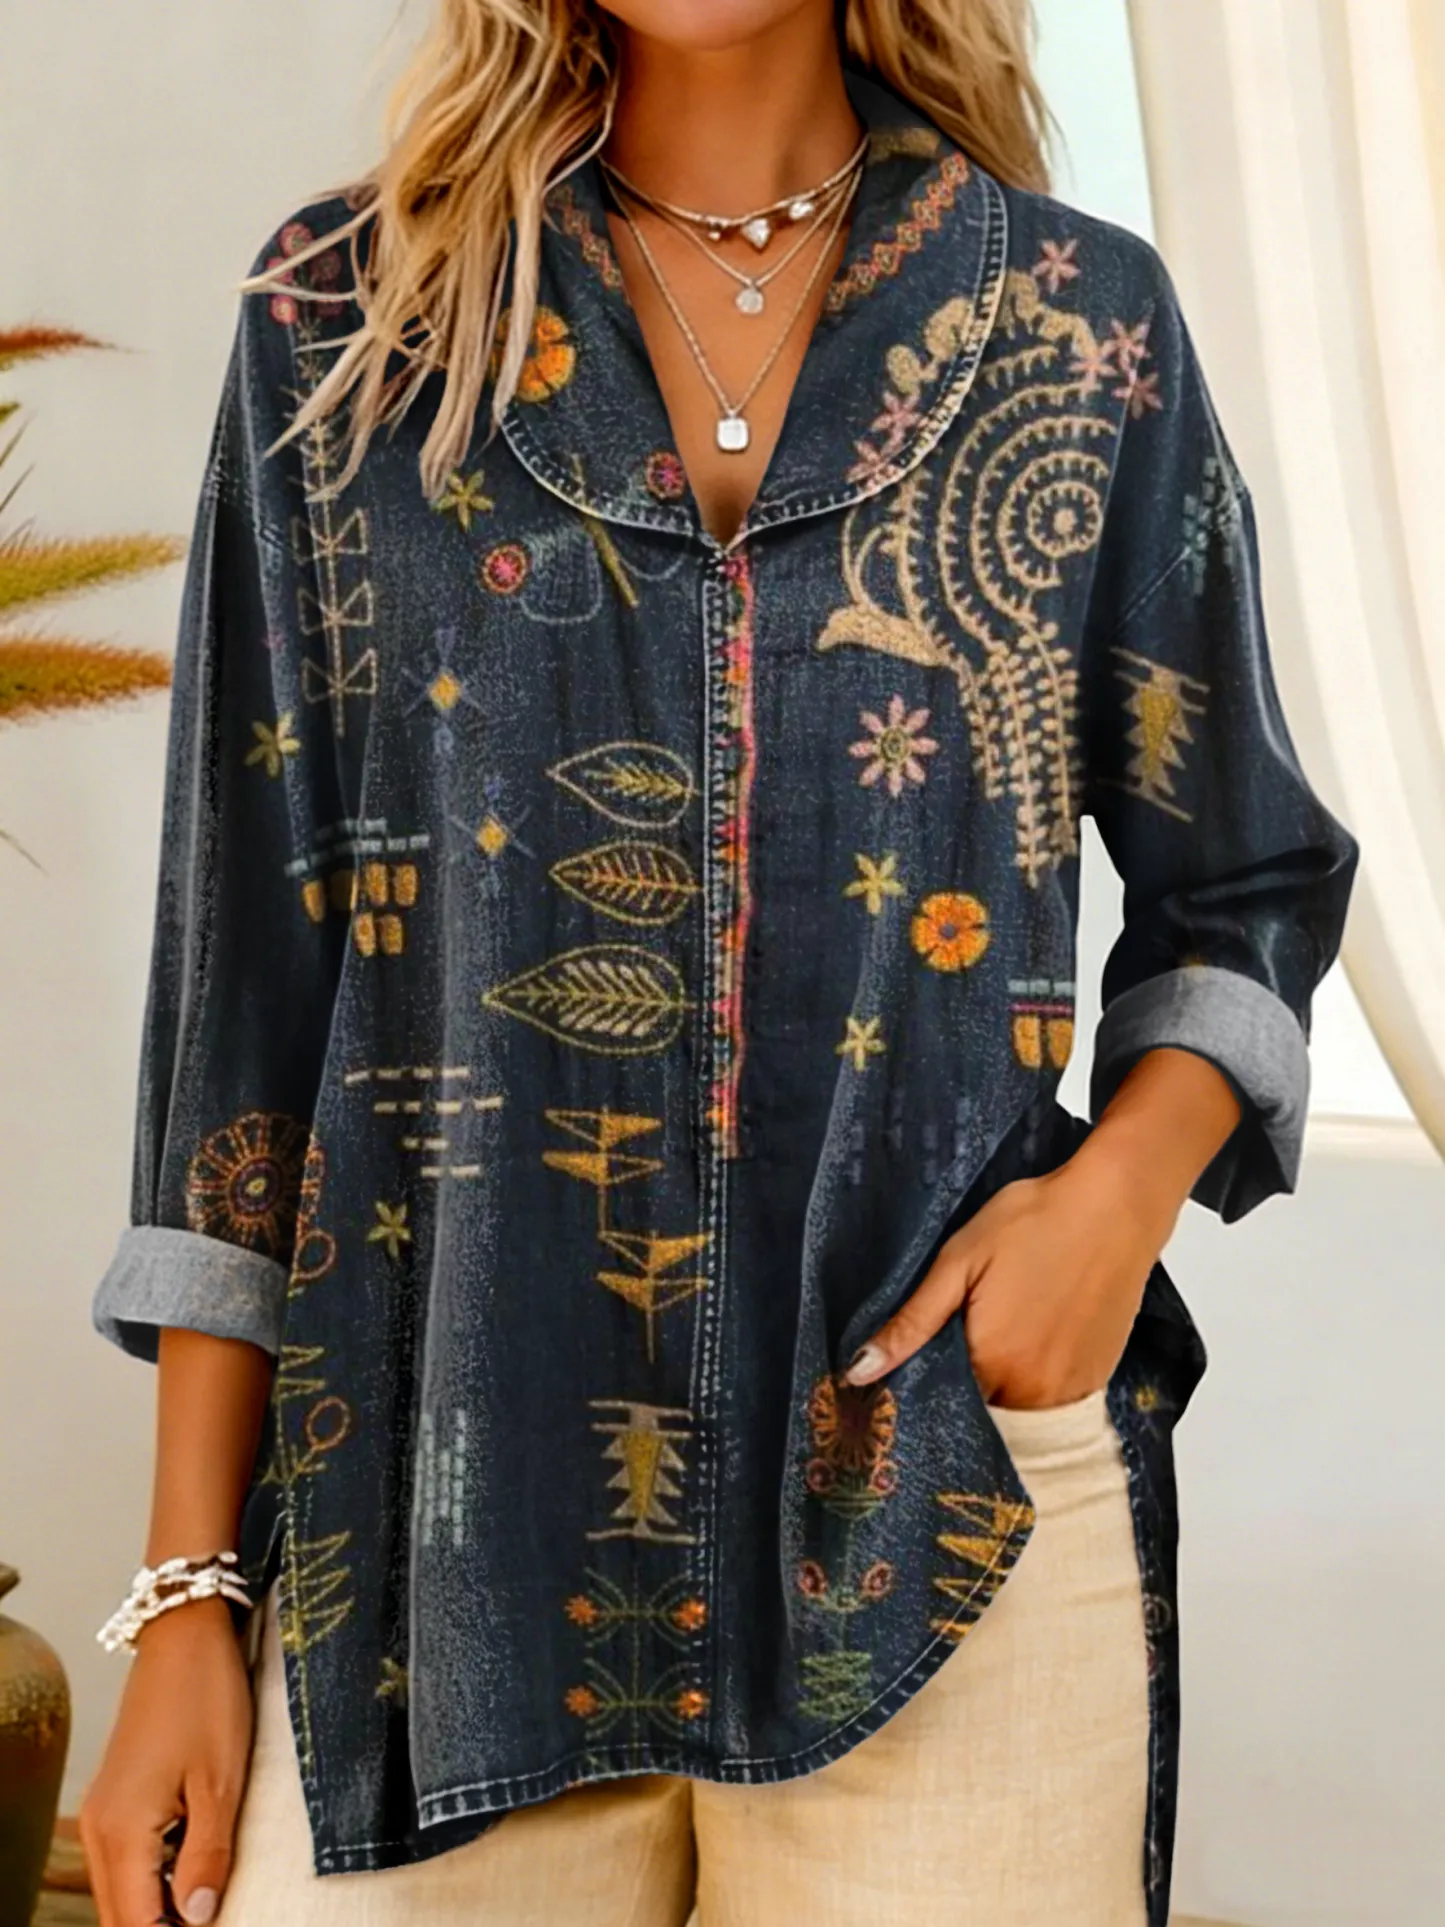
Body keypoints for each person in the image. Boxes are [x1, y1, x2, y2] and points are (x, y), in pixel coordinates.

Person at [78, 2, 1360, 1924]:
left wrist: (1116, 1199)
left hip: (948, 1505)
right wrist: (188, 1593)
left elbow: (1245, 874)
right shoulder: (346, 321)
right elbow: (243, 1005)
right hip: (446, 1535)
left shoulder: (1079, 328)